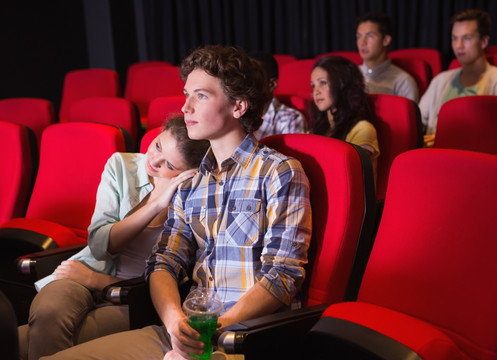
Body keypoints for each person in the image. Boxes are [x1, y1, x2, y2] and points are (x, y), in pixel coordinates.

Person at [42, 45, 312, 360]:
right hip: (183, 333)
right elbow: (163, 263)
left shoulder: (279, 172)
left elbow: (282, 275)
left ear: (238, 106)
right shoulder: (191, 182)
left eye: (201, 96)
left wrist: (212, 328)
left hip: (245, 337)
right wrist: (175, 322)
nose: (185, 107)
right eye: (186, 94)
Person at [19, 116, 209, 360]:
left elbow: (176, 273)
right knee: (48, 311)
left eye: (170, 166)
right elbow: (99, 246)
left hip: (135, 296)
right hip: (84, 272)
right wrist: (153, 203)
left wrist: (98, 280)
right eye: (158, 145)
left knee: (22, 340)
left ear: (190, 173)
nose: (154, 161)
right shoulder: (121, 165)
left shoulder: (193, 194)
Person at [419, 8, 497, 145]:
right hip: (433, 153)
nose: (459, 46)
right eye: (454, 38)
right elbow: (419, 120)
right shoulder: (441, 80)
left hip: (473, 157)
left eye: (466, 38)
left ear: (484, 41)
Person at [310, 55, 380, 182]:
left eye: (323, 83)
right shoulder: (319, 127)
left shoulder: (363, 129)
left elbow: (351, 178)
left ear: (342, 84)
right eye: (313, 86)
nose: (316, 91)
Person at [355, 12, 419, 102]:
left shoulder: (403, 82)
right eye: (359, 37)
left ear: (385, 40)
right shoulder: (350, 76)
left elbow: (409, 115)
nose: (362, 43)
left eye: (370, 36)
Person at [249, 51, 308, 139]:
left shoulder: (290, 119)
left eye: (254, 79)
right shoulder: (236, 115)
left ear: (271, 84)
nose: (246, 83)